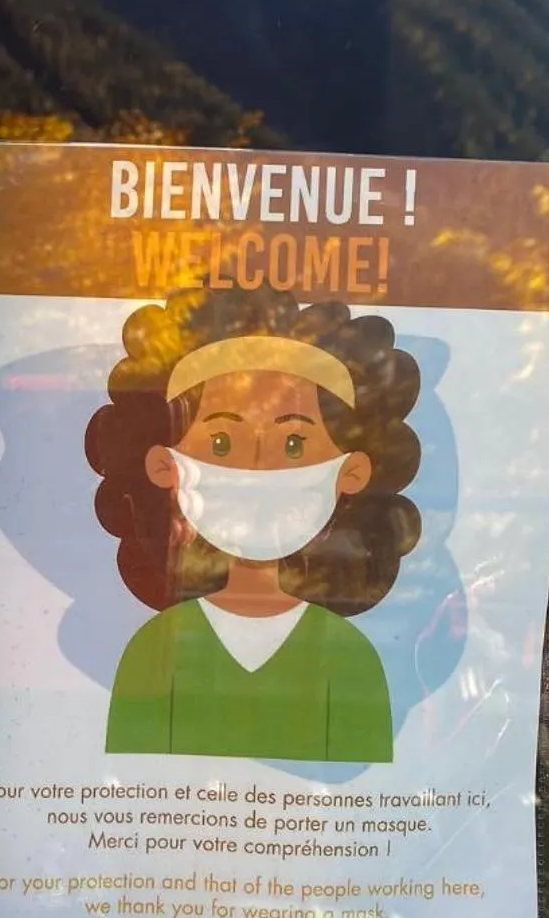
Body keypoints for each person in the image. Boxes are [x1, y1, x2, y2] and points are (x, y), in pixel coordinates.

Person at [86, 286, 421, 761]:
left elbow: (364, 783)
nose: (257, 469)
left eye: (293, 445)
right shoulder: (156, 649)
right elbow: (129, 778)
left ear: (352, 472)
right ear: (165, 466)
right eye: (221, 443)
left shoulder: (349, 657)